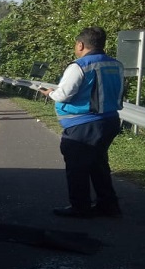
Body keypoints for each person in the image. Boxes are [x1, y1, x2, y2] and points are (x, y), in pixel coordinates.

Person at [38, 27, 125, 218]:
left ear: (81, 44)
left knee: (77, 168)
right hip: (109, 120)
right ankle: (108, 205)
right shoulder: (116, 64)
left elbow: (63, 94)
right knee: (98, 163)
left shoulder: (80, 65)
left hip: (84, 124)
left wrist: (50, 93)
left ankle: (80, 207)